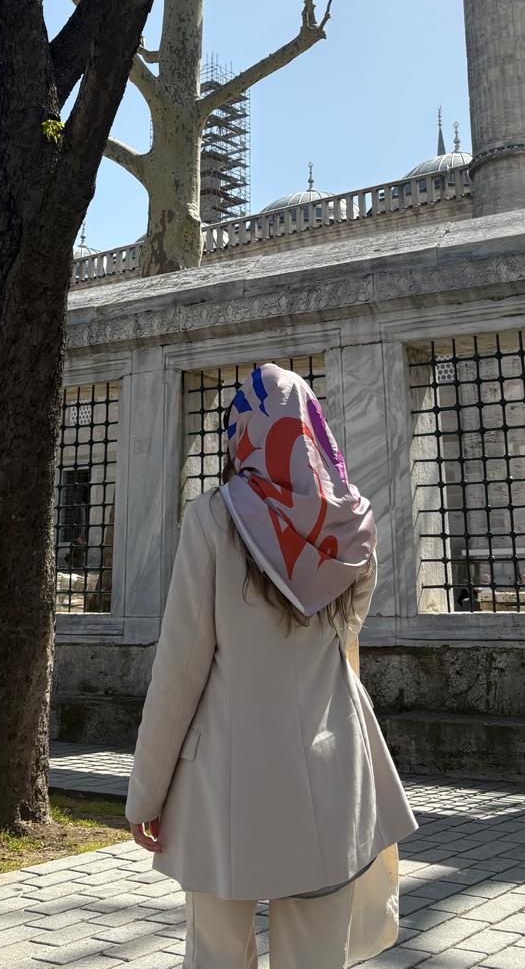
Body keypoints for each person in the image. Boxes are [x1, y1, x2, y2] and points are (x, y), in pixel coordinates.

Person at [126, 363, 417, 969]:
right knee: (316, 956)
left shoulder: (213, 518)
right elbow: (347, 637)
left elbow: (180, 671)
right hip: (332, 769)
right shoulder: (352, 525)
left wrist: (145, 793)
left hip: (225, 780)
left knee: (217, 953)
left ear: (242, 438)